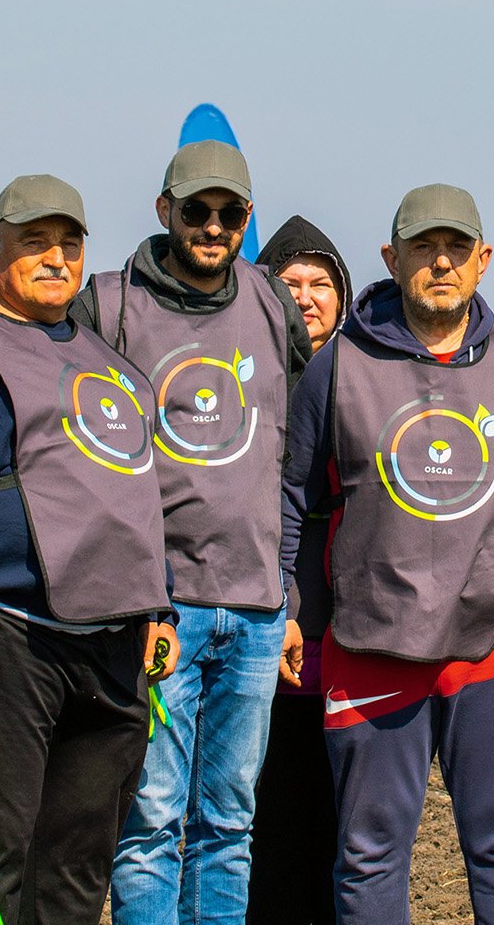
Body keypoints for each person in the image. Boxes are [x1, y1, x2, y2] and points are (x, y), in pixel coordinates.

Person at [282, 184, 494, 924]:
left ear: (484, 261)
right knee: (369, 852)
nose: (442, 263)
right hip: (372, 645)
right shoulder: (340, 365)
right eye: (424, 248)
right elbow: (289, 497)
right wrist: (287, 610)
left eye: (457, 249)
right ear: (392, 259)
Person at [0, 174, 178, 923]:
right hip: (4, 640)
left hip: (114, 650)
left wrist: (161, 607)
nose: (56, 258)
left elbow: (138, 495)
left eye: (70, 243)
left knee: (79, 868)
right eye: (34, 242)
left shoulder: (110, 364)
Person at [79, 143, 299, 924]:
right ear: (165, 210)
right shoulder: (107, 305)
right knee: (149, 824)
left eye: (230, 212)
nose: (213, 226)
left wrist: (288, 590)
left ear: (247, 218)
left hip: (255, 611)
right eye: (197, 210)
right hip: (157, 613)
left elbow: (289, 458)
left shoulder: (273, 305)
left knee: (229, 825)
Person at [247, 212, 352, 925]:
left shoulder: (366, 379)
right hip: (263, 633)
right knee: (263, 820)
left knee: (343, 828)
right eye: (290, 283)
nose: (307, 297)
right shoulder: (244, 382)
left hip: (350, 641)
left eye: (322, 284)